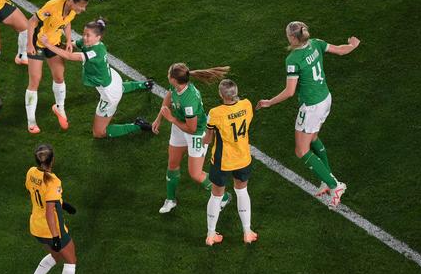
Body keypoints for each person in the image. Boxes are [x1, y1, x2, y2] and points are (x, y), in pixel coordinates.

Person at [256, 21, 360, 208]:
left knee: (301, 150)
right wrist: (352, 45)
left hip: (312, 107)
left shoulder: (293, 60)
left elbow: (289, 92)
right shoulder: (316, 43)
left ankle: (335, 185)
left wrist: (269, 102)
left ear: (293, 37)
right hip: (325, 99)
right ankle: (326, 179)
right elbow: (340, 50)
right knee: (312, 138)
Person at [39, 17, 154, 138]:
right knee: (118, 88)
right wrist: (58, 42)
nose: (84, 37)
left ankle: (137, 125)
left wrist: (47, 44)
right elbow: (71, 45)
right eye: (84, 34)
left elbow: (70, 56)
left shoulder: (96, 51)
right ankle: (143, 84)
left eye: (88, 35)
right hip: (112, 78)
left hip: (109, 92)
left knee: (99, 133)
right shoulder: (88, 42)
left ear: (98, 37)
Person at [151, 63, 231, 214]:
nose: (168, 76)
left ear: (174, 80)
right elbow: (169, 97)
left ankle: (225, 196)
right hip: (180, 127)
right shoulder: (177, 86)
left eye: (169, 75)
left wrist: (171, 119)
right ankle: (170, 200)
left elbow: (192, 128)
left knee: (195, 174)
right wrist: (159, 118)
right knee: (172, 164)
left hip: (196, 133)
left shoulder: (189, 100)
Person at [25, 0, 88, 134]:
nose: (83, 9)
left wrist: (68, 40)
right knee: (35, 80)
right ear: (70, 1)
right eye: (81, 6)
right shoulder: (52, 6)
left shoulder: (71, 11)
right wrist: (29, 44)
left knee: (59, 77)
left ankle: (59, 108)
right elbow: (31, 22)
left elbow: (66, 23)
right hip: (37, 43)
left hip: (52, 44)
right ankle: (31, 121)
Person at [203, 79, 258, 246]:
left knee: (216, 195)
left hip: (222, 160)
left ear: (221, 94)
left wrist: (202, 138)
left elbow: (208, 138)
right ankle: (247, 232)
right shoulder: (247, 105)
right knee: (242, 192)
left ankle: (211, 235)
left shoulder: (215, 113)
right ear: (236, 92)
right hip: (242, 158)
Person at [25, 144, 78, 274]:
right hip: (51, 229)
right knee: (71, 261)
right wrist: (55, 237)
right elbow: (49, 212)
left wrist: (62, 203)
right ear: (52, 159)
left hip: (36, 226)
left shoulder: (31, 172)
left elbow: (37, 193)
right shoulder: (53, 181)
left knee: (55, 256)